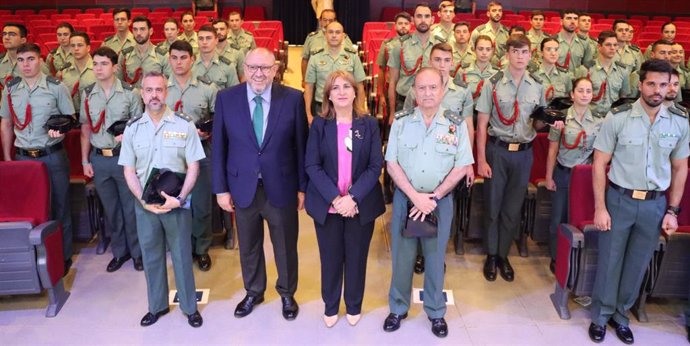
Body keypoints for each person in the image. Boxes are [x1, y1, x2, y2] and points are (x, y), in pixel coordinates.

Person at [588, 59, 689, 344]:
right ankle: (601, 316)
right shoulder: (618, 117)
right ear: (640, 84)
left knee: (637, 262)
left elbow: (680, 168)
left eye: (664, 84)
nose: (658, 90)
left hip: (655, 205)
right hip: (619, 199)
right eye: (652, 84)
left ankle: (621, 315)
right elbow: (599, 163)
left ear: (671, 85)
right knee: (610, 260)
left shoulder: (680, 121)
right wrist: (600, 206)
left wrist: (672, 210)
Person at [212, 47, 308, 321]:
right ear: (244, 69)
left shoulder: (292, 99)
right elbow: (219, 146)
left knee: (285, 245)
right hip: (242, 188)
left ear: (275, 70)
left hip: (282, 186)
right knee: (250, 245)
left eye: (265, 68)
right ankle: (254, 291)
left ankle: (287, 293)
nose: (258, 73)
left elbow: (301, 147)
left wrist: (302, 188)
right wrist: (221, 188)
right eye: (253, 67)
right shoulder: (226, 99)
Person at [384, 67, 473, 338]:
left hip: (439, 202)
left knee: (435, 259)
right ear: (413, 91)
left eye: (433, 87)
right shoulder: (401, 121)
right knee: (402, 257)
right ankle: (398, 308)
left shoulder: (455, 125)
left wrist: (433, 197)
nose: (427, 93)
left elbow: (462, 165)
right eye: (421, 88)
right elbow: (391, 163)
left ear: (443, 90)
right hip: (406, 200)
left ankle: (435, 311)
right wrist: (415, 197)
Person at [119, 71, 205, 328]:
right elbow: (128, 170)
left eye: (159, 90)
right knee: (152, 256)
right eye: (149, 90)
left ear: (166, 92)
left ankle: (190, 307)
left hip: (176, 205)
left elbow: (193, 166)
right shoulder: (132, 128)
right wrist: (143, 201)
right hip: (145, 206)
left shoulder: (184, 124)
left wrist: (180, 198)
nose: (154, 95)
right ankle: (156, 306)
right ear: (142, 93)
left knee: (181, 255)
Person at [475, 35, 563, 283]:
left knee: (513, 208)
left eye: (524, 52)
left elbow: (536, 121)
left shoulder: (537, 85)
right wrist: (481, 160)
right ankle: (491, 255)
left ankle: (503, 255)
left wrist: (549, 119)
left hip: (524, 153)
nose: (520, 56)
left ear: (530, 54)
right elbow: (482, 125)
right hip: (497, 150)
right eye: (515, 51)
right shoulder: (492, 83)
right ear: (507, 54)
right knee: (493, 206)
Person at [305, 70, 385, 328]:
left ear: (355, 92)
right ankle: (330, 306)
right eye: (335, 87)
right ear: (328, 94)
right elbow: (312, 165)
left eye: (346, 87)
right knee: (330, 258)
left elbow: (375, 166)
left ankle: (353, 305)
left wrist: (352, 198)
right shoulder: (319, 124)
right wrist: (335, 199)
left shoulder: (369, 124)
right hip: (328, 206)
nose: (341, 92)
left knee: (356, 257)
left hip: (359, 206)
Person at [0, 43, 76, 272]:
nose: (26, 64)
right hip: (24, 158)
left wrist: (61, 128)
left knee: (60, 206)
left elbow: (70, 117)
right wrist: (7, 158)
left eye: (31, 59)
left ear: (41, 60)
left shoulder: (56, 87)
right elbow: (6, 123)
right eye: (21, 60)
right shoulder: (11, 89)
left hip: (51, 155)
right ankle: (36, 258)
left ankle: (62, 257)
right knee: (31, 209)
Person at [80, 46, 143, 273]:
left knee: (130, 208)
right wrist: (85, 161)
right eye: (95, 64)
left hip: (124, 159)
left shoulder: (130, 93)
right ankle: (120, 252)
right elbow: (86, 128)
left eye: (104, 64)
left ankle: (137, 253)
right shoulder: (87, 94)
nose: (98, 68)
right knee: (111, 210)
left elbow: (139, 129)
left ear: (115, 67)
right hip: (100, 159)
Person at [166, 40, 218, 271]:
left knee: (201, 206)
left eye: (183, 57)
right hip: (170, 156)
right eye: (175, 58)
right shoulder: (161, 88)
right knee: (176, 204)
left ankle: (202, 249)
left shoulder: (208, 88)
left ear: (192, 59)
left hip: (200, 153)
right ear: (169, 60)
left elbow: (220, 121)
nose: (179, 62)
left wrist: (206, 130)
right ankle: (182, 248)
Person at [543, 78, 603, 272]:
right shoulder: (561, 119)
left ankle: (573, 257)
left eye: (588, 91)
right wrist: (548, 176)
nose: (585, 94)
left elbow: (600, 153)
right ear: (572, 94)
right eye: (581, 90)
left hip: (585, 177)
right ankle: (555, 256)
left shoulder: (599, 121)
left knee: (576, 217)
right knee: (557, 218)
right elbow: (552, 150)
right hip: (564, 173)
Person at [387, 3, 444, 118]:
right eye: (419, 16)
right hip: (403, 103)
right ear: (413, 19)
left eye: (427, 16)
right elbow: (392, 81)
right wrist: (392, 113)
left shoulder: (440, 46)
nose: (423, 20)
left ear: (432, 19)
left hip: (433, 104)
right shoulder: (400, 46)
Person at [304, 21, 365, 123]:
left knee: (343, 137)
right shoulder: (315, 57)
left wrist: (359, 109)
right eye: (331, 32)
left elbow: (360, 86)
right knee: (323, 137)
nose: (334, 35)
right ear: (325, 35)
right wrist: (308, 114)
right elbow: (309, 87)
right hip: (322, 107)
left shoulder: (353, 57)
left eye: (337, 32)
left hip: (346, 107)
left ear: (343, 35)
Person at [574, 31, 631, 116]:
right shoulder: (585, 70)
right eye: (608, 45)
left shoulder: (622, 71)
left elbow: (623, 97)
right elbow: (576, 98)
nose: (612, 48)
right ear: (599, 47)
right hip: (590, 117)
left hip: (613, 117)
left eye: (615, 45)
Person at [301, 9, 353, 88]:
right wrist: (304, 80)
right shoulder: (311, 38)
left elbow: (352, 59)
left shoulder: (344, 38)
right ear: (320, 21)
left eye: (331, 20)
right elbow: (305, 60)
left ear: (335, 21)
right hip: (316, 83)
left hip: (339, 83)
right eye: (325, 20)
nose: (327, 23)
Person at [375, 12, 411, 122]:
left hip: (408, 89)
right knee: (393, 120)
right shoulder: (387, 44)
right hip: (391, 88)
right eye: (400, 23)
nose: (403, 26)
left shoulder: (415, 44)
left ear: (410, 25)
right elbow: (381, 70)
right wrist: (381, 94)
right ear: (395, 25)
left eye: (406, 23)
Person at [117, 16, 166, 88]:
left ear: (151, 31)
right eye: (135, 29)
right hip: (130, 98)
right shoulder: (124, 55)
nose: (138, 33)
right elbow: (119, 82)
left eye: (142, 29)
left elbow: (168, 84)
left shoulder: (162, 55)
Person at [192, 25, 239, 90]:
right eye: (201, 38)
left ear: (216, 40)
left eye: (208, 38)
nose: (204, 42)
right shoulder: (189, 64)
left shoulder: (228, 66)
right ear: (197, 41)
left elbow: (234, 93)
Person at [59, 32, 96, 113]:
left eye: (80, 45)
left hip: (94, 116)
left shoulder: (98, 69)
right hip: (71, 115)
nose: (76, 49)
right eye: (72, 46)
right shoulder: (64, 71)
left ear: (88, 48)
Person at [457, 35, 498, 104]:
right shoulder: (463, 71)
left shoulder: (497, 73)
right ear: (474, 50)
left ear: (492, 51)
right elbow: (456, 95)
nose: (484, 53)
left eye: (488, 49)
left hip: (489, 113)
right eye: (480, 49)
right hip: (467, 111)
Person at [531, 37, 573, 103]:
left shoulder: (564, 75)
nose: (553, 53)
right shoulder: (533, 75)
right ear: (541, 52)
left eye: (556, 50)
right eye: (548, 49)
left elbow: (568, 98)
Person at [0, 23, 28, 89]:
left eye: (12, 34)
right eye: (4, 34)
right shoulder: (0, 61)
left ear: (23, 40)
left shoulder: (34, 63)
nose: (6, 37)